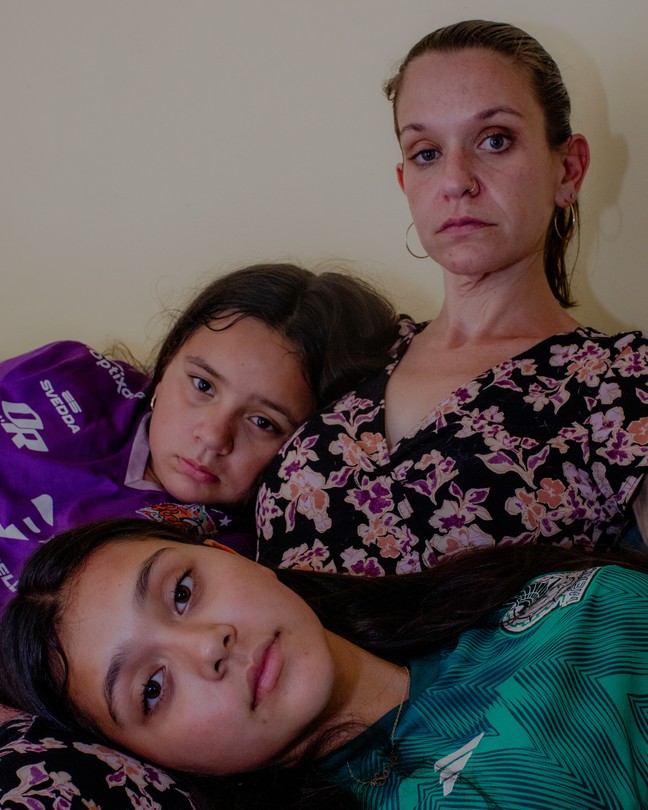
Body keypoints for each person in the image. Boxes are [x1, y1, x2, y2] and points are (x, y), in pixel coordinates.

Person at [256, 20, 648, 576]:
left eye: (495, 140)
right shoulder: (356, 347)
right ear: (404, 184)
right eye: (426, 152)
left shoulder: (621, 382)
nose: (456, 180)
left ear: (569, 168)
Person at [2, 517, 648, 809]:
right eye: (151, 689)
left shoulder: (493, 589)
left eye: (181, 591)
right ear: (157, 761)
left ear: (236, 555)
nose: (208, 645)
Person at [0, 262, 399, 610]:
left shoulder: (230, 566)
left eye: (263, 423)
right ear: (169, 358)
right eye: (202, 385)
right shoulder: (66, 381)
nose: (212, 437)